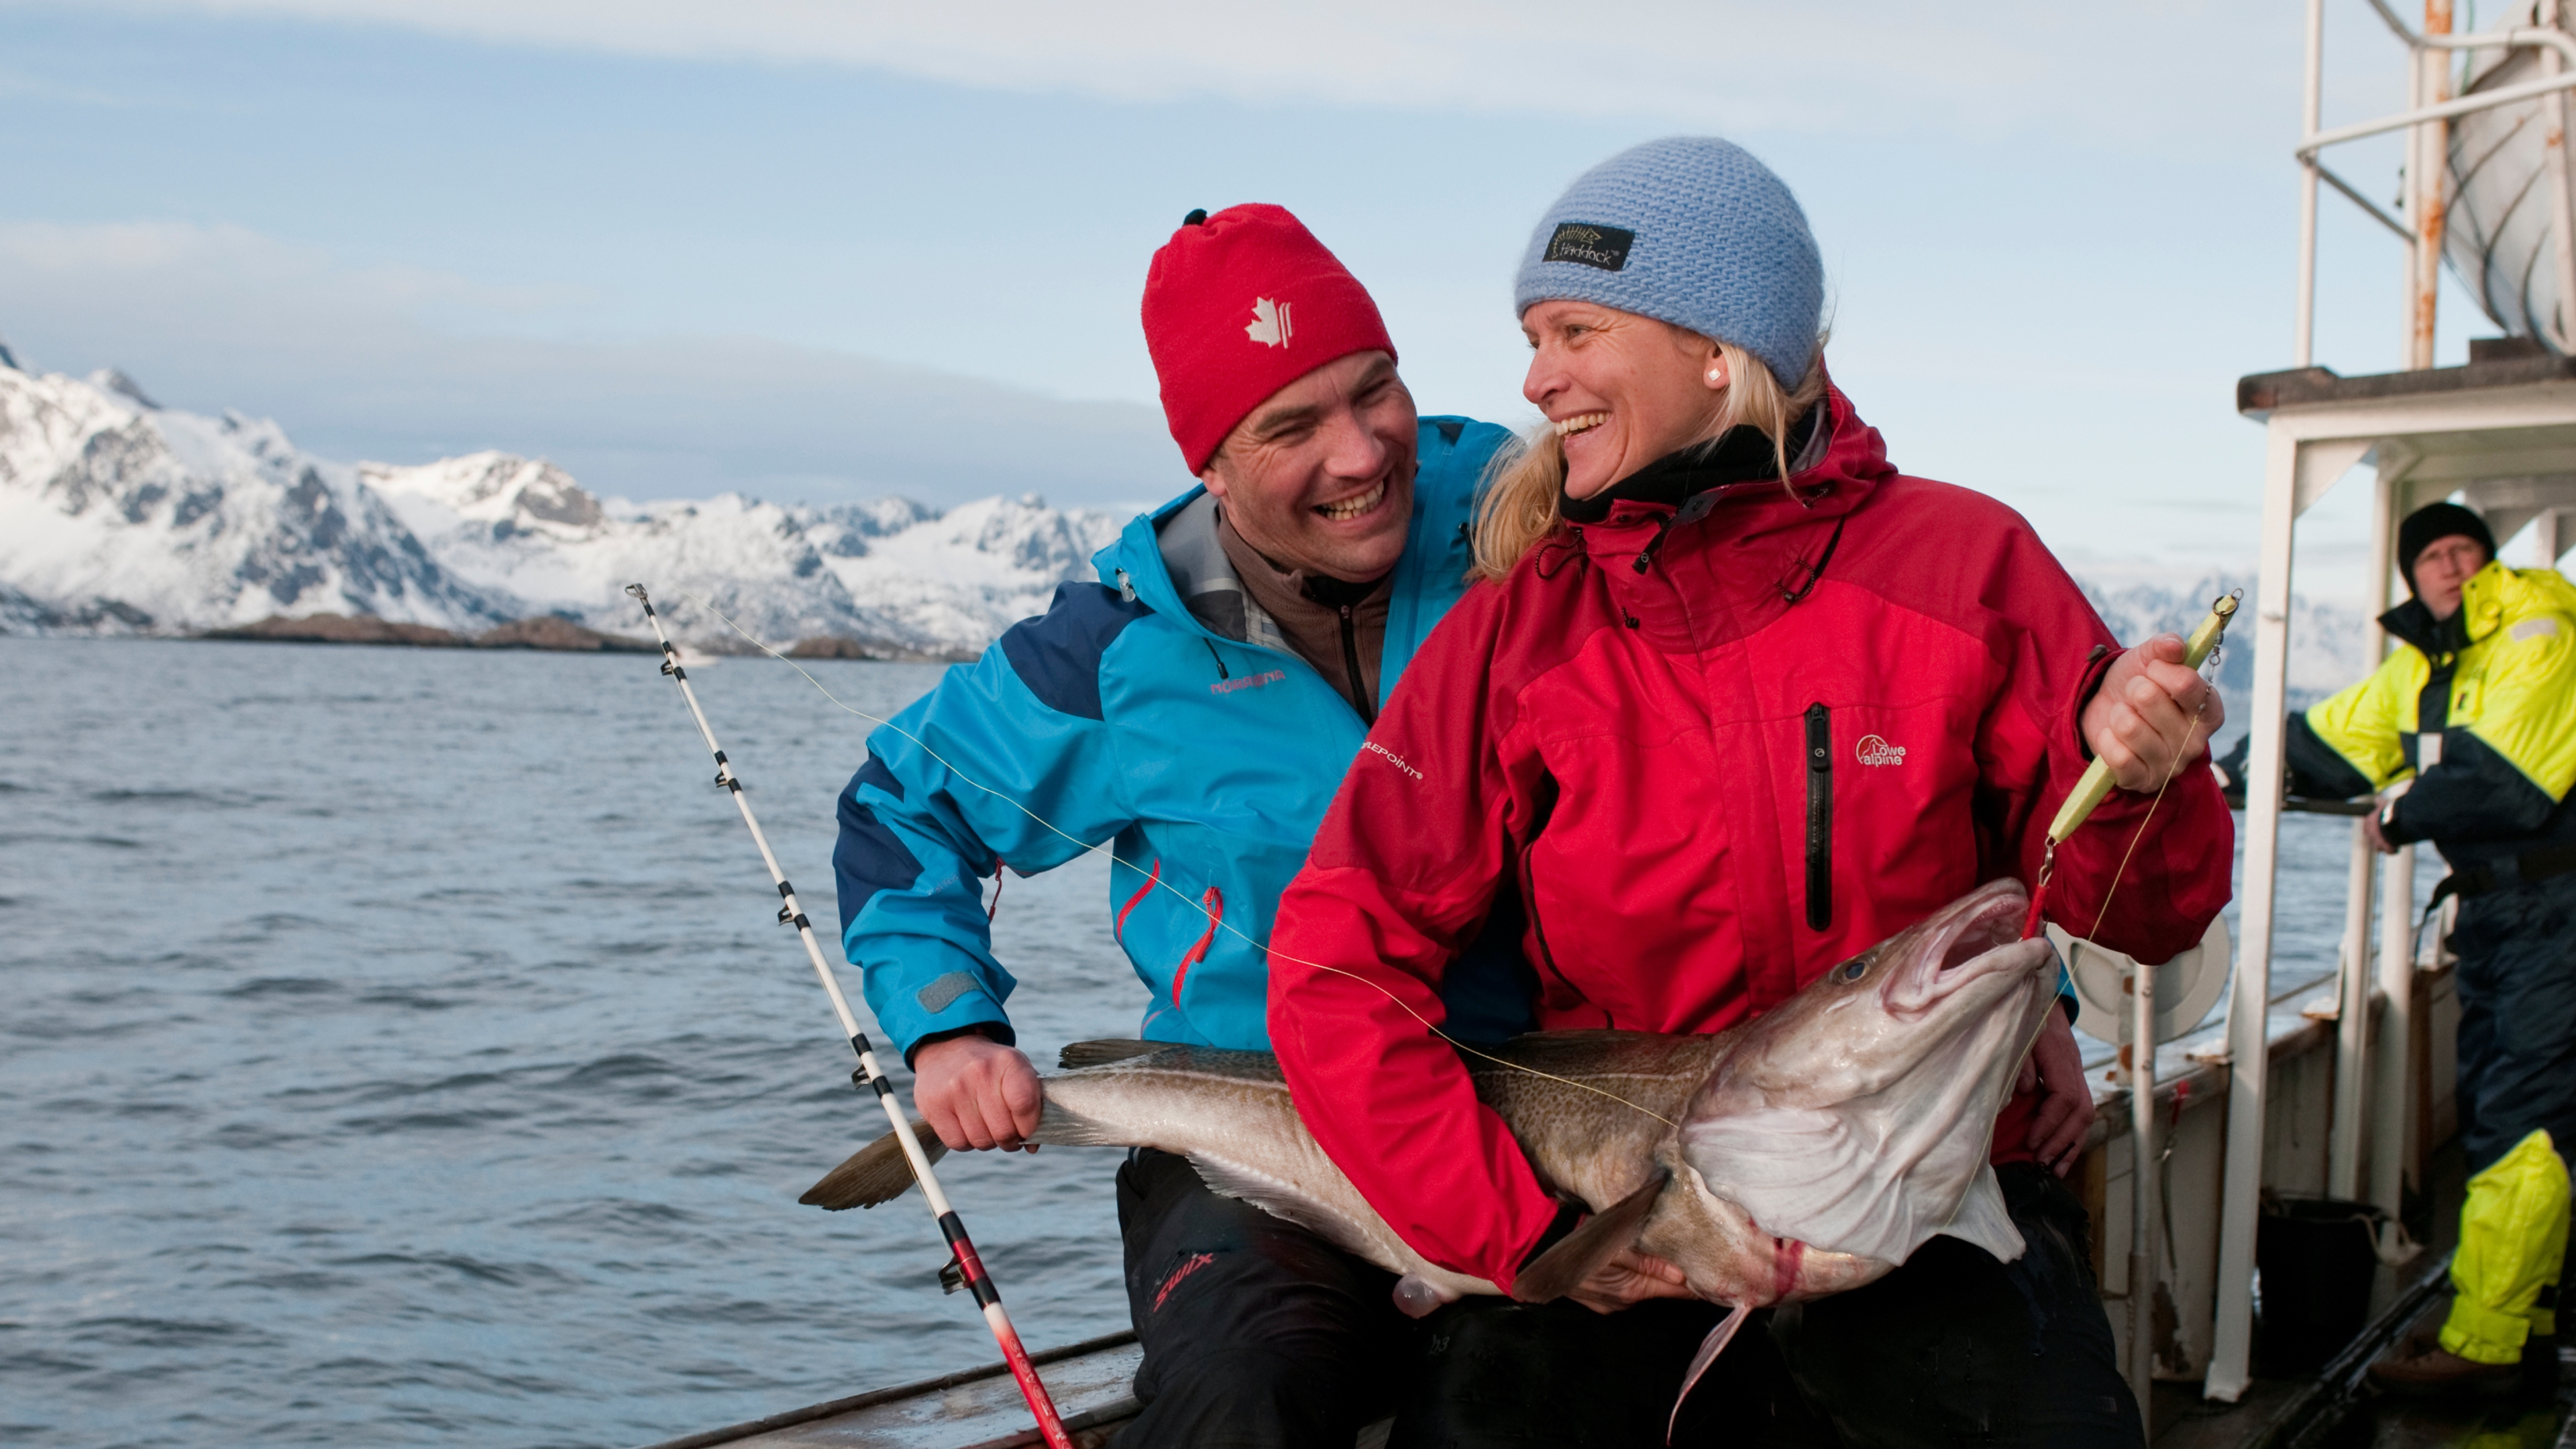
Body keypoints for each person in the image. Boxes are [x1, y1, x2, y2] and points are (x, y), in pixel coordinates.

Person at [1266, 137, 2236, 1448]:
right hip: (1629, 1222)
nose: (1534, 378)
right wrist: (1522, 1231)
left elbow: (2148, 920)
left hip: (1933, 1202)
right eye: (1532, 337)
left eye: (1573, 332)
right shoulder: (1519, 628)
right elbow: (1336, 958)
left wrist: (2146, 782)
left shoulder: (1969, 566)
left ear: (1718, 349)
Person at [833, 203, 1529, 1448]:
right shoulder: (1113, 647)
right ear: (1208, 462)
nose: (1364, 452)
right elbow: (904, 805)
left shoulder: (1525, 532)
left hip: (1528, 1106)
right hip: (1249, 1130)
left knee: (1519, 1408)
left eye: (1377, 392)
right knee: (1242, 1395)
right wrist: (950, 1028)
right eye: (1292, 427)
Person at [2228, 502, 2576, 1394]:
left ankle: (2489, 1349)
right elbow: (2341, 739)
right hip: (2501, 922)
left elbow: (2512, 778)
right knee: (2508, 1109)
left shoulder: (2539, 620)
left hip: (2559, 912)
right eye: (2431, 556)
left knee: (2519, 1125)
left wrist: (2400, 814)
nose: (2450, 568)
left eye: (2464, 549)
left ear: (2488, 560)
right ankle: (2523, 1312)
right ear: (2411, 575)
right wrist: (2232, 765)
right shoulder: (2427, 663)